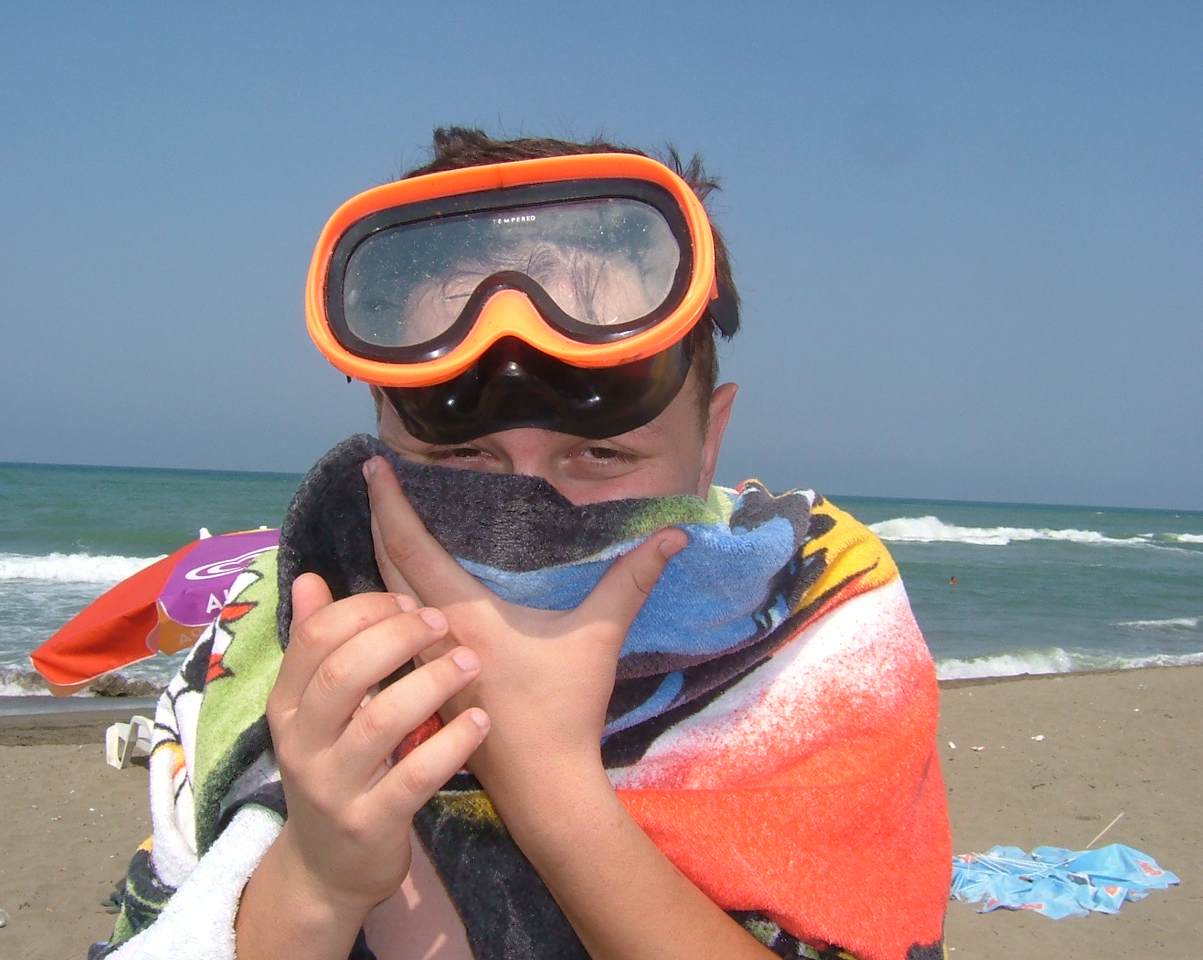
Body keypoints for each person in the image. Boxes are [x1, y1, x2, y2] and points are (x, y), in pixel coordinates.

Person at [94, 128, 950, 960]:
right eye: (461, 459)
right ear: (385, 436)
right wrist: (317, 878)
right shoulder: (274, 642)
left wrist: (548, 785)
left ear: (708, 443)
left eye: (602, 455)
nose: (523, 510)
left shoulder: (825, 633)